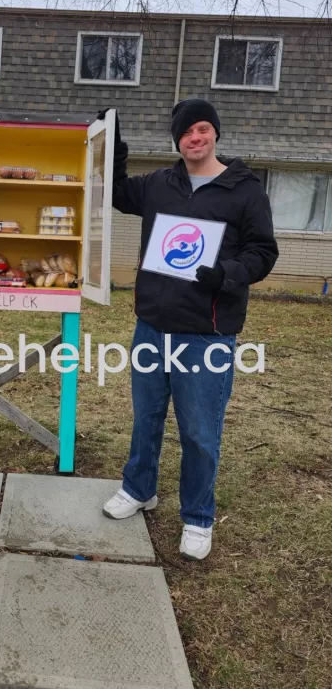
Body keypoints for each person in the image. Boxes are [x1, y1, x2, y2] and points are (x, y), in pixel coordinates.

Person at [100, 99, 279, 559]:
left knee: (200, 430)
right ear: (176, 141)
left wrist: (228, 273)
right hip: (152, 326)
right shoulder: (160, 184)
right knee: (146, 418)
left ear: (215, 132)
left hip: (206, 334)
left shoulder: (245, 190)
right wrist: (114, 145)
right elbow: (116, 192)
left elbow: (263, 252)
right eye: (185, 133)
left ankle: (198, 517)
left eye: (201, 129)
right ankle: (139, 489)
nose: (194, 138)